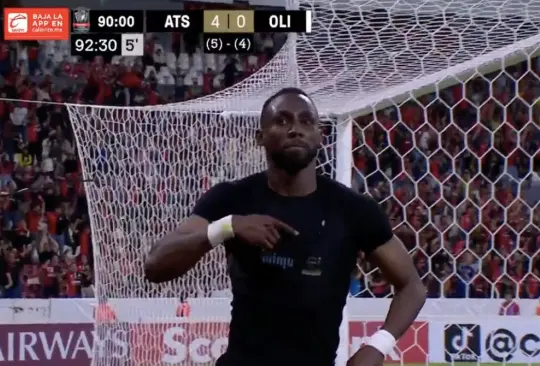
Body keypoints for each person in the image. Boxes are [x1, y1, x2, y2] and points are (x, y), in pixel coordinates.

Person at [144, 88, 427, 366]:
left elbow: (412, 287)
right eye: (282, 120)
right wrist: (228, 226)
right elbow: (155, 265)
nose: (295, 129)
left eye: (306, 121)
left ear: (320, 136)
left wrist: (378, 346)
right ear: (260, 137)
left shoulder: (353, 209)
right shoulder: (232, 198)